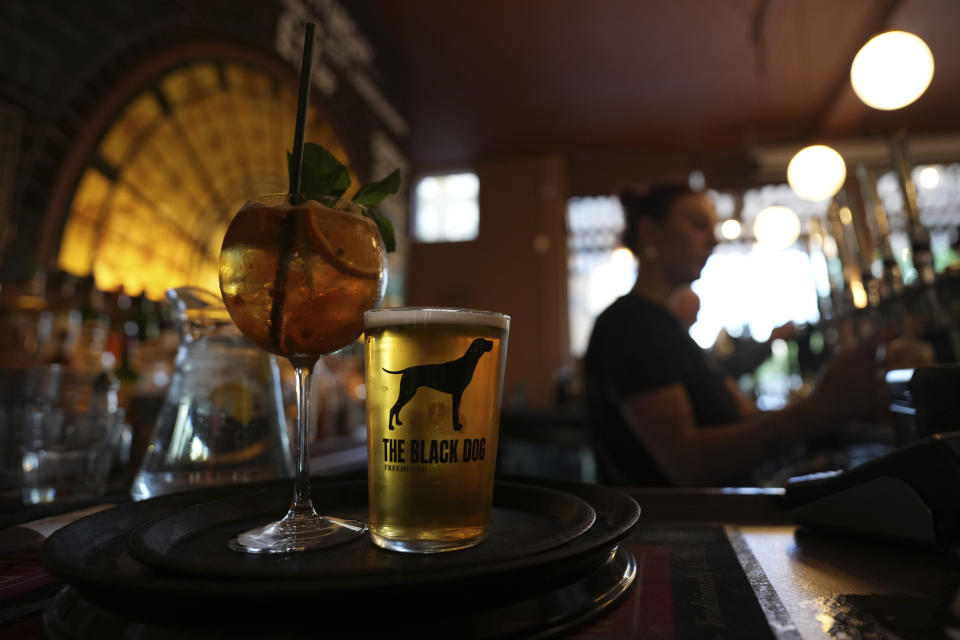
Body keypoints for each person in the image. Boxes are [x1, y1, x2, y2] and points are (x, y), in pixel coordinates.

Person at [583, 183, 887, 486]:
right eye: (698, 224)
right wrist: (819, 408)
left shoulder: (668, 328)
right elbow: (688, 464)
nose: (713, 240)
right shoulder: (629, 325)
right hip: (672, 526)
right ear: (649, 231)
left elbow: (744, 414)